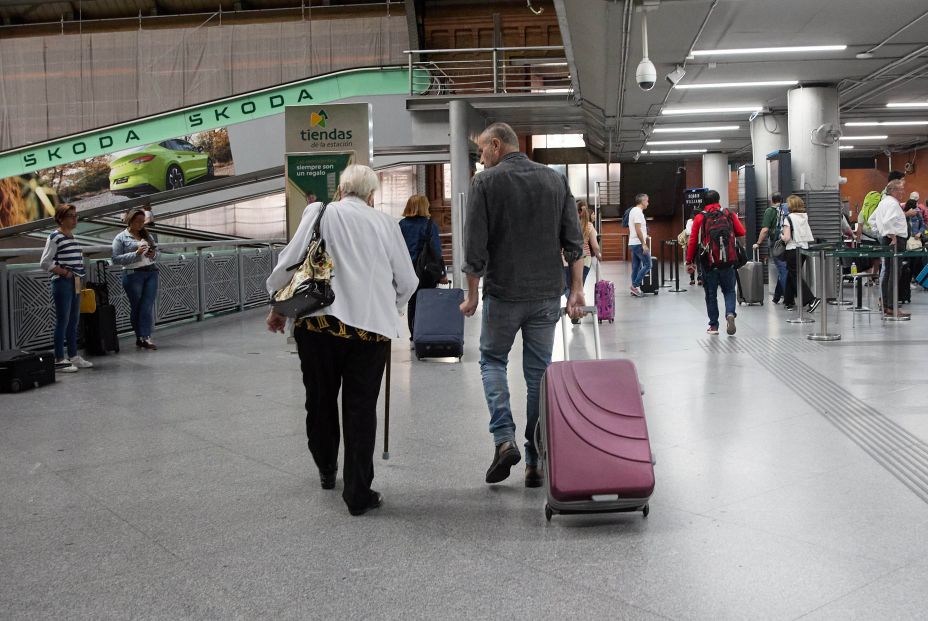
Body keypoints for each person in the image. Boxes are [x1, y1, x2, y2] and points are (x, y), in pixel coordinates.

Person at [266, 165, 418, 516]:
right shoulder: (384, 223)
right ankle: (357, 494)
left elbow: (290, 261)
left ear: (341, 190)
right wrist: (386, 308)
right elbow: (407, 281)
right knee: (361, 408)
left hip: (318, 327)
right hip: (369, 334)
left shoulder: (319, 212)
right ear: (371, 195)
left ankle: (326, 467)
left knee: (319, 400)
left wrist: (278, 305)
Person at [459, 122, 584, 489]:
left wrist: (470, 295)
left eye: (482, 152)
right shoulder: (555, 180)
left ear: (496, 146)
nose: (481, 160)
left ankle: (504, 439)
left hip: (503, 294)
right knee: (538, 375)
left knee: (493, 361)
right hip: (547, 294)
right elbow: (573, 242)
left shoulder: (486, 182)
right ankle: (534, 459)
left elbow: (475, 247)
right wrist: (576, 289)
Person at [39, 204, 94, 373]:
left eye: (76, 215)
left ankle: (73, 355)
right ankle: (59, 359)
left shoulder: (71, 237)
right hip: (63, 282)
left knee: (73, 320)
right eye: (71, 216)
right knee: (63, 320)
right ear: (61, 218)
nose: (75, 219)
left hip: (75, 281)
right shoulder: (55, 237)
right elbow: (45, 262)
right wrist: (64, 273)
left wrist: (76, 277)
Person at [684, 190, 746, 335]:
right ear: (718, 199)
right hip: (728, 260)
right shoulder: (728, 214)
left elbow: (693, 241)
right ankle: (730, 313)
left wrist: (689, 261)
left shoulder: (700, 217)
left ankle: (714, 326)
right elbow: (741, 231)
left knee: (711, 294)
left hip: (709, 262)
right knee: (729, 290)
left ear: (704, 202)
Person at [398, 194, 445, 341]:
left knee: (412, 302)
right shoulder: (430, 225)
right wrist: (442, 273)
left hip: (407, 269)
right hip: (426, 271)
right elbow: (436, 251)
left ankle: (414, 334)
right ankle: (426, 332)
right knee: (427, 300)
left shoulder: (401, 225)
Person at [112, 208, 160, 350]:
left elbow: (158, 253)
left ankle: (145, 337)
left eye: (142, 221)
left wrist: (153, 255)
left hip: (151, 272)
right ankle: (140, 337)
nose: (140, 224)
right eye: (137, 221)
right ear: (130, 220)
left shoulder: (147, 235)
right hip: (133, 274)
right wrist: (136, 254)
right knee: (138, 307)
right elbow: (115, 259)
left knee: (147, 306)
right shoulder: (121, 237)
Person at [869, 178, 910, 317]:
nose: (902, 192)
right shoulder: (892, 204)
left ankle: (886, 304)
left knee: (887, 272)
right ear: (892, 190)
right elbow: (887, 222)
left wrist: (880, 233)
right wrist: (892, 236)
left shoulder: (883, 203)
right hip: (895, 241)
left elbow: (871, 220)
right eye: (900, 189)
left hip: (885, 239)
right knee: (894, 272)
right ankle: (892, 306)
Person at [779, 194, 820, 313]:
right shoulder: (804, 217)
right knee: (792, 274)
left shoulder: (789, 218)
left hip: (792, 249)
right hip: (803, 249)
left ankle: (811, 299)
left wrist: (781, 236)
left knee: (795, 275)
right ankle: (788, 300)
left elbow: (786, 238)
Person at [754, 192, 788, 304]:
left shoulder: (770, 211)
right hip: (788, 242)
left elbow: (765, 230)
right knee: (783, 269)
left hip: (776, 244)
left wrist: (758, 243)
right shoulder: (787, 209)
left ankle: (789, 298)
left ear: (772, 200)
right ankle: (777, 296)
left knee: (783, 270)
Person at [627, 193, 651, 297]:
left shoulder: (633, 211)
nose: (648, 203)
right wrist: (644, 244)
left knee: (636, 267)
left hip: (633, 243)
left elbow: (638, 228)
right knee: (648, 264)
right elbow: (638, 229)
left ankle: (635, 289)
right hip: (638, 243)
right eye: (647, 201)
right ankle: (635, 285)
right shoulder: (638, 212)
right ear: (642, 201)